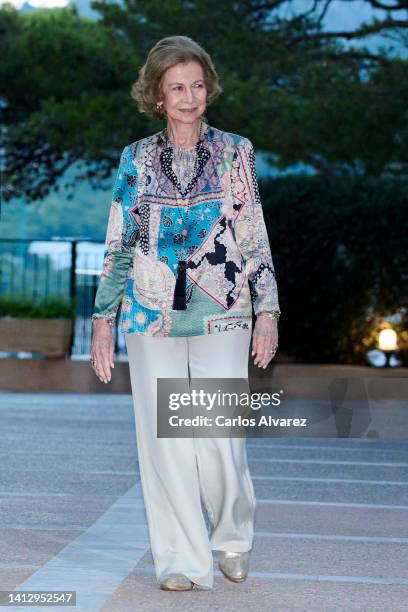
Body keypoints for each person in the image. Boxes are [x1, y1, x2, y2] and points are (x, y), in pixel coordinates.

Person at [90, 35, 281, 591]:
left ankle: (232, 535)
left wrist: (266, 308)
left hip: (224, 308)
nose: (189, 96)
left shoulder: (234, 152)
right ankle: (180, 559)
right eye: (177, 87)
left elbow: (252, 233)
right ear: (157, 95)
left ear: (209, 89)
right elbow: (119, 242)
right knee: (165, 439)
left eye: (197, 85)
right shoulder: (136, 158)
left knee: (218, 436)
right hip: (149, 314)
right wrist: (104, 319)